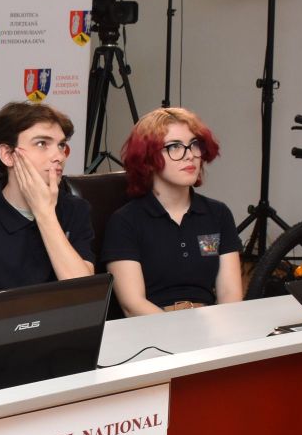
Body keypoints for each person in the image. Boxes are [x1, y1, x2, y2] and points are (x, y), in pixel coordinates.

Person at [101, 107, 242, 315]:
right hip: (153, 326)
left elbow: (231, 295)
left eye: (195, 144)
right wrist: (180, 330)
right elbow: (132, 305)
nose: (190, 155)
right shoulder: (125, 221)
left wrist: (219, 330)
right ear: (148, 158)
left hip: (209, 322)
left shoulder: (218, 214)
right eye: (174, 147)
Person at [0, 101, 95, 292]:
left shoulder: (76, 209)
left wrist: (45, 215)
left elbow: (83, 293)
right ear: (8, 155)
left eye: (61, 145)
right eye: (42, 143)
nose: (59, 156)